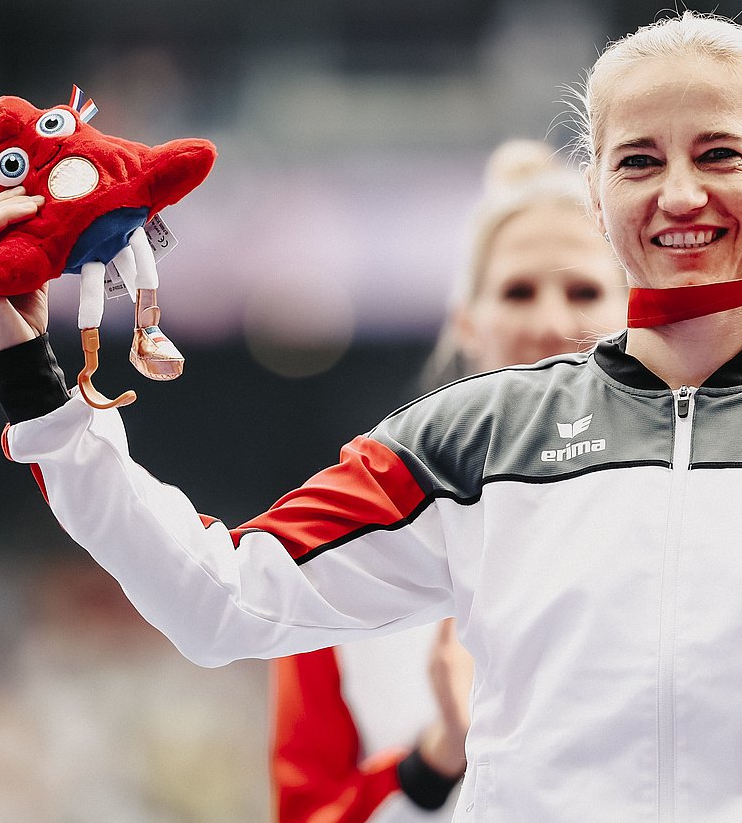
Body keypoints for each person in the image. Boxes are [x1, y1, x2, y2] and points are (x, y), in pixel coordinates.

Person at [0, 12, 742, 822]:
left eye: (718, 152)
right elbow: (218, 601)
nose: (678, 193)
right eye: (638, 160)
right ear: (597, 196)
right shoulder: (473, 438)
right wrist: (36, 386)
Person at [269, 140, 628, 823]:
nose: (551, 323)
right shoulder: (352, 547)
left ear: (634, 316)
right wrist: (439, 755)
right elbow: (305, 809)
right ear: (469, 321)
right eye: (518, 291)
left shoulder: (702, 517)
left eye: (584, 290)